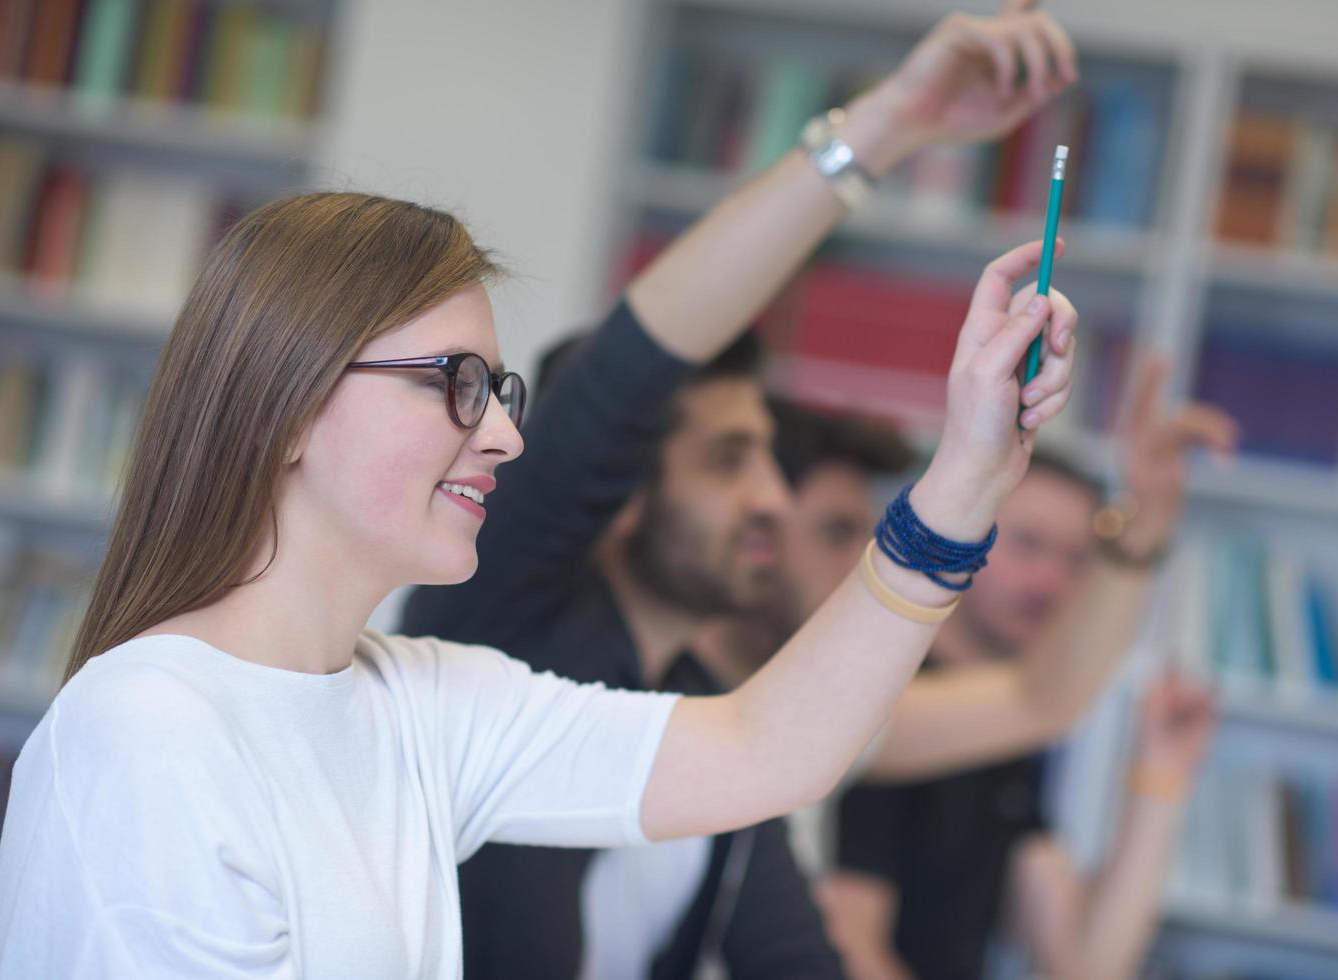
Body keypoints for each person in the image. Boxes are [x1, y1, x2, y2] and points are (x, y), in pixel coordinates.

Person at [0, 162, 1077, 980]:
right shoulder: (148, 731)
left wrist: (966, 478)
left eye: (498, 392)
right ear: (289, 406)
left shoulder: (419, 698)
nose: (503, 435)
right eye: (454, 381)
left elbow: (763, 747)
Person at [397, 4, 1085, 975]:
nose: (772, 496)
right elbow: (635, 359)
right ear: (617, 488)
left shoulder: (703, 714)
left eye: (767, 456)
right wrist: (887, 123)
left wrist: (974, 473)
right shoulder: (498, 614)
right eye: (725, 459)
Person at [819, 359, 1233, 980]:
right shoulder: (892, 701)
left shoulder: (1001, 738)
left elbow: (1084, 964)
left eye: (1077, 560)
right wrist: (1139, 530)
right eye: (1028, 545)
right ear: (969, 533)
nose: (1053, 583)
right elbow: (845, 952)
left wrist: (1162, 774)